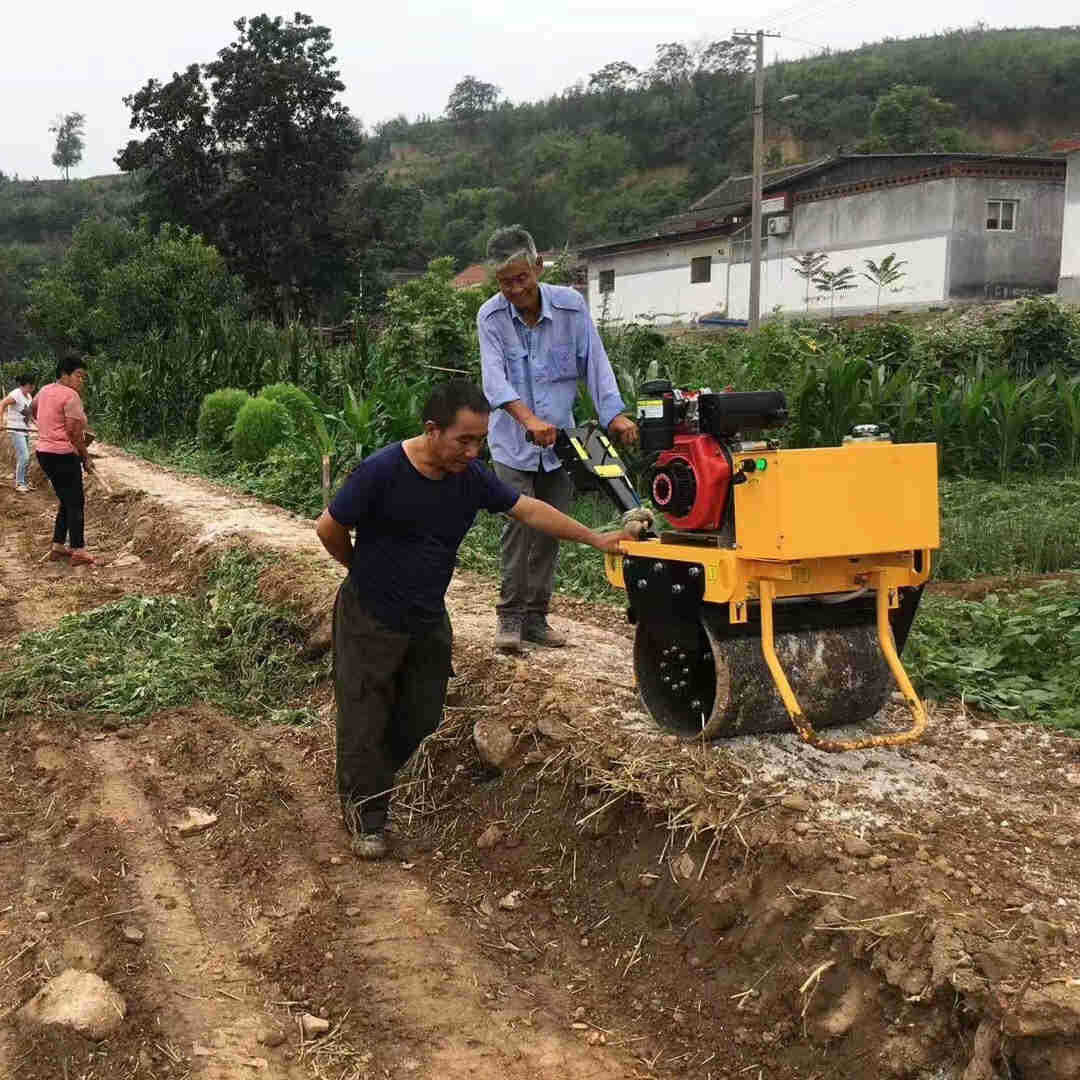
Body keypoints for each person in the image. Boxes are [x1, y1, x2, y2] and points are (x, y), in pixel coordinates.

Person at [315, 380, 637, 860]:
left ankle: (368, 780)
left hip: (426, 617)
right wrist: (360, 573)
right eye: (464, 439)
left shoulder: (470, 478)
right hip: (370, 616)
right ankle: (366, 815)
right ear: (432, 431)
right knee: (364, 717)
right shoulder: (381, 471)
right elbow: (329, 527)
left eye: (480, 440)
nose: (473, 450)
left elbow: (527, 509)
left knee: (422, 714)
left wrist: (596, 538)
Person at [478, 225, 638, 654]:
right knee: (518, 526)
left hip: (563, 443)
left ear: (538, 267)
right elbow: (494, 382)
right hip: (513, 444)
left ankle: (536, 618)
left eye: (521, 278)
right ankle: (509, 617)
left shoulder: (571, 307)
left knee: (551, 530)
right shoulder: (491, 317)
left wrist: (614, 414)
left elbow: (595, 363)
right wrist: (527, 419)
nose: (514, 289)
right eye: (505, 282)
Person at [30, 353, 95, 566]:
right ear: (64, 374)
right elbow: (74, 434)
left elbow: (33, 409)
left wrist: (47, 427)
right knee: (76, 501)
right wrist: (86, 458)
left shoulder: (44, 390)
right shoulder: (71, 396)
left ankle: (58, 545)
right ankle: (78, 550)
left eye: (83, 377)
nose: (81, 381)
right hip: (63, 455)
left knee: (67, 500)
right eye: (78, 375)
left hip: (44, 453)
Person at [1, 373, 36, 493]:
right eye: (31, 386)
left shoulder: (28, 396)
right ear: (26, 385)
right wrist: (1, 422)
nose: (33, 388)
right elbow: (2, 404)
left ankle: (24, 482)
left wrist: (38, 425)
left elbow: (29, 414)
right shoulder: (15, 394)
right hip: (16, 430)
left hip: (25, 430)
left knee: (25, 457)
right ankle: (19, 483)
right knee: (24, 456)